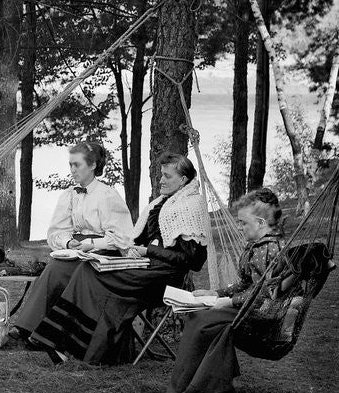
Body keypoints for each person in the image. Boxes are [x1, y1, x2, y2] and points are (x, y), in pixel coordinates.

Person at [27, 153, 208, 364]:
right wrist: (129, 250)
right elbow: (137, 240)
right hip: (144, 267)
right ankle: (65, 344)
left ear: (183, 179)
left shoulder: (191, 205)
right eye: (161, 175)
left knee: (94, 277)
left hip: (164, 278)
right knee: (88, 269)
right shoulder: (161, 203)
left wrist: (148, 251)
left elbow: (194, 261)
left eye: (167, 176)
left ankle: (86, 349)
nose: (161, 180)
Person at [166, 187, 285, 393]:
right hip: (247, 307)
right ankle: (204, 384)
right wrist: (214, 292)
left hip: (260, 315)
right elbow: (245, 284)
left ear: (260, 223)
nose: (239, 227)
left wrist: (227, 302)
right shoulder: (257, 246)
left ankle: (200, 386)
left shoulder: (269, 249)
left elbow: (265, 294)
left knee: (203, 321)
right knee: (198, 316)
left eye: (243, 223)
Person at [9, 141, 134, 340]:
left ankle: (43, 332)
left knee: (63, 270)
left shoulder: (107, 195)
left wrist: (92, 245)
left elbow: (123, 237)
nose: (72, 170)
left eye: (77, 165)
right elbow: (56, 231)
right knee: (55, 267)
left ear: (92, 165)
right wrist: (69, 243)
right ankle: (31, 328)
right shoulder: (69, 195)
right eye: (70, 165)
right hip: (77, 249)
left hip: (105, 254)